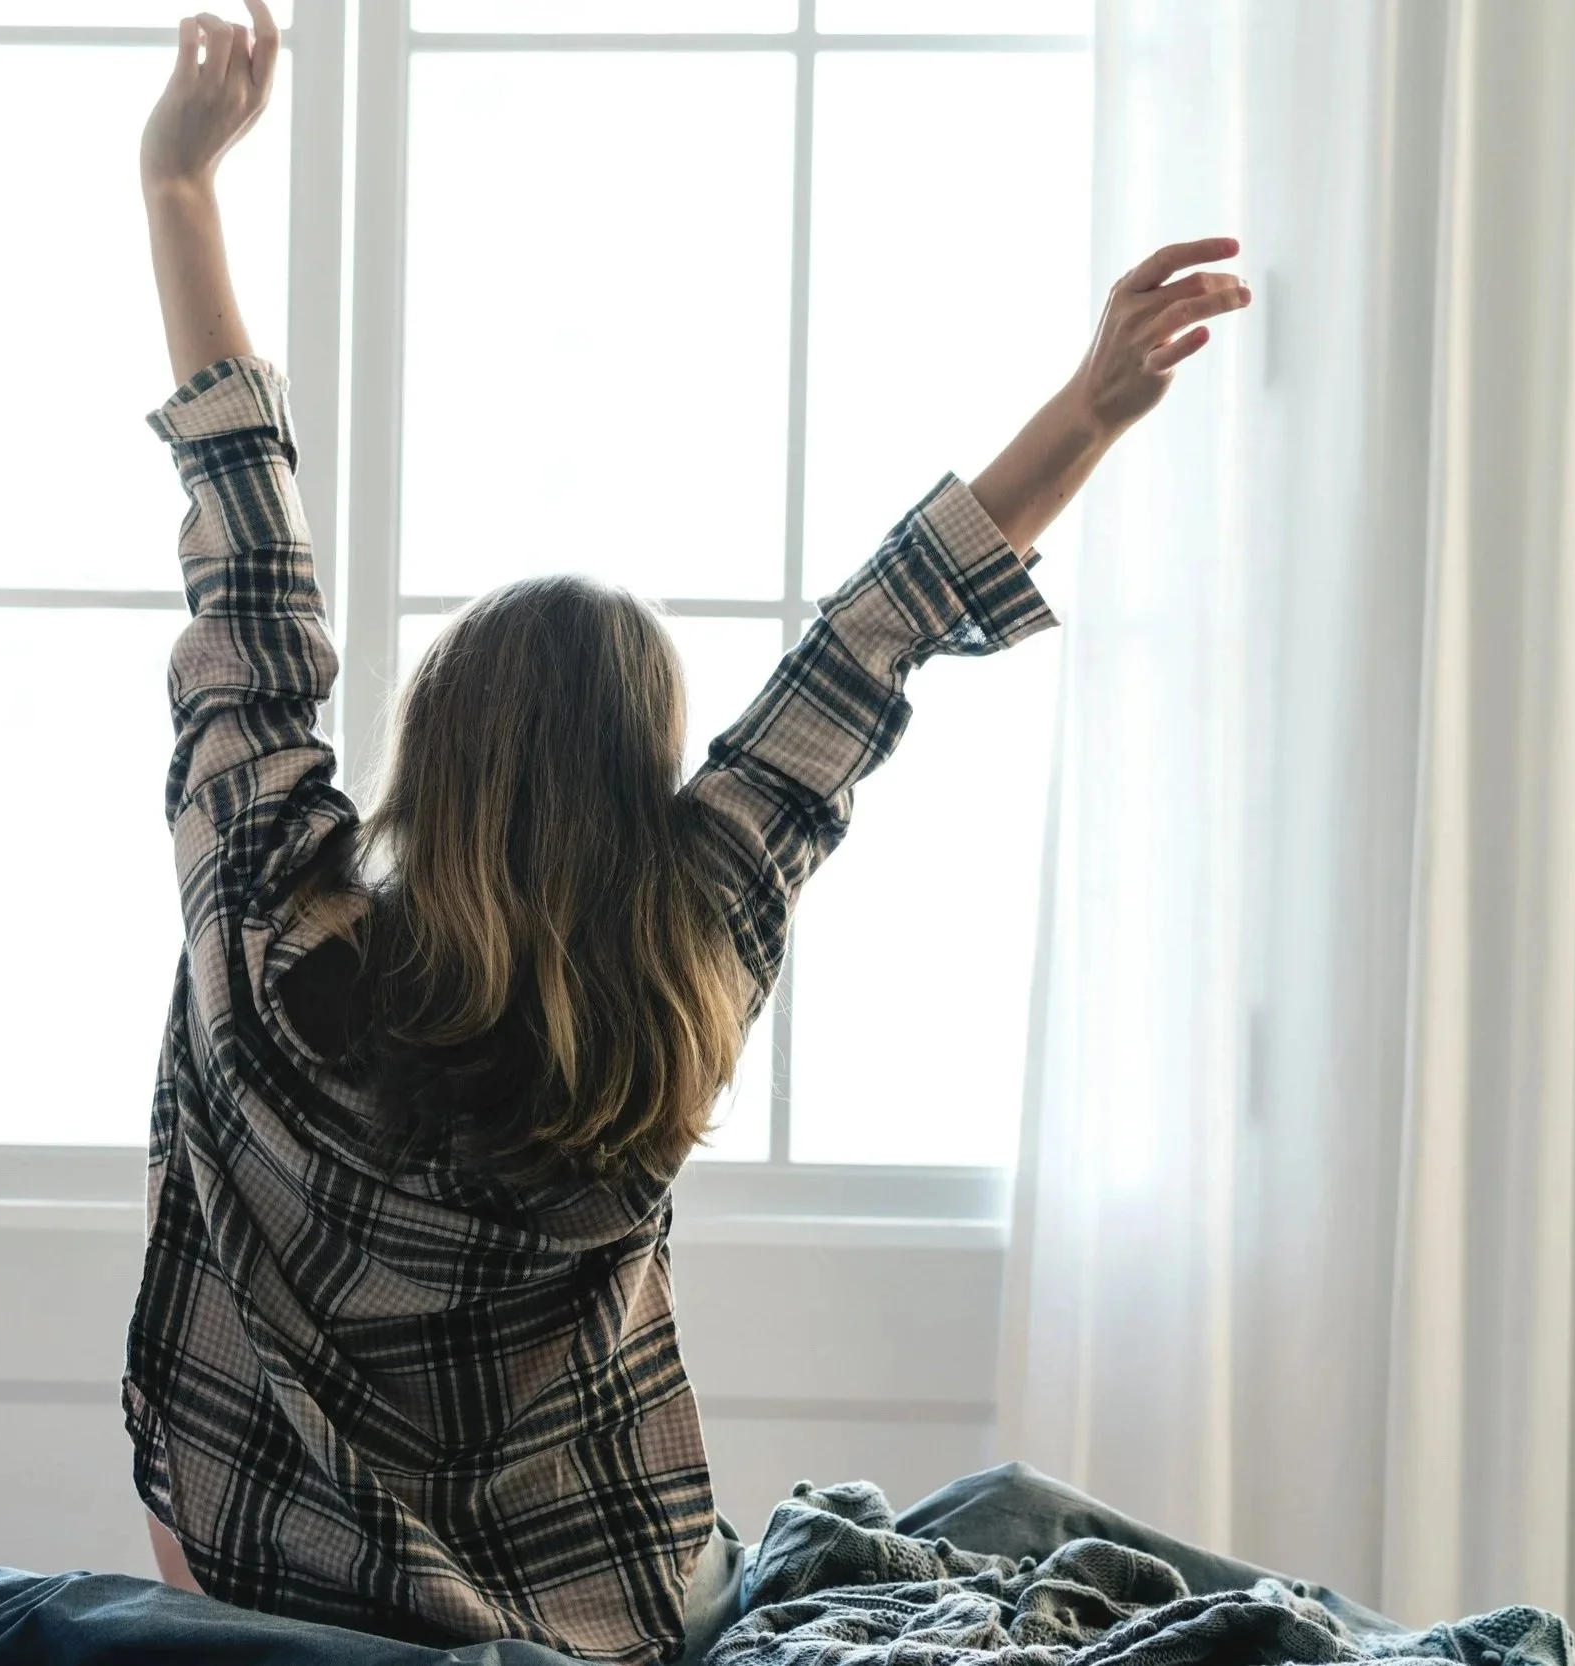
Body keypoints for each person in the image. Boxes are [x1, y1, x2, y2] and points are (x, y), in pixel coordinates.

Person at [124, 7, 1254, 1664]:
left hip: (273, 1590)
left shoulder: (270, 921)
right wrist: (1089, 402)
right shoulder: (690, 938)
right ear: (639, 787)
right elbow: (873, 641)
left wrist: (179, 191)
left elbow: (251, 564)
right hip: (622, 1616)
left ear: (432, 756)